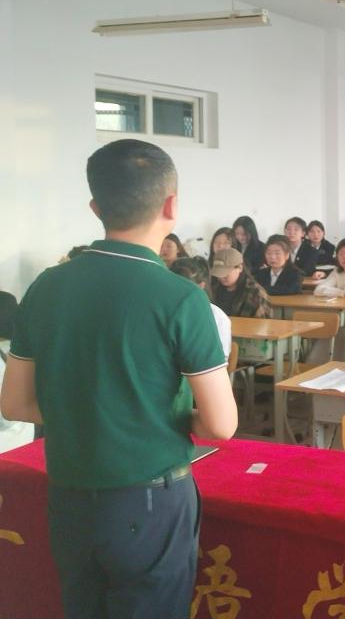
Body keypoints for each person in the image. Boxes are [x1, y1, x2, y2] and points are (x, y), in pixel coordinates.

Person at [1, 139, 236, 617]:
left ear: (95, 207)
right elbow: (221, 424)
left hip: (69, 495)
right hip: (149, 501)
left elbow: (16, 405)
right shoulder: (180, 298)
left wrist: (89, 409)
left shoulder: (46, 286)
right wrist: (152, 413)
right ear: (171, 205)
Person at [169, 256, 232, 358]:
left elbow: (220, 359)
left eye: (183, 288)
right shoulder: (161, 310)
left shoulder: (217, 317)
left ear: (201, 286)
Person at [211, 247, 272, 318]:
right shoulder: (213, 288)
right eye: (219, 274)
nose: (221, 277)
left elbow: (264, 322)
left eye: (226, 273)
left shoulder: (256, 293)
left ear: (240, 268)